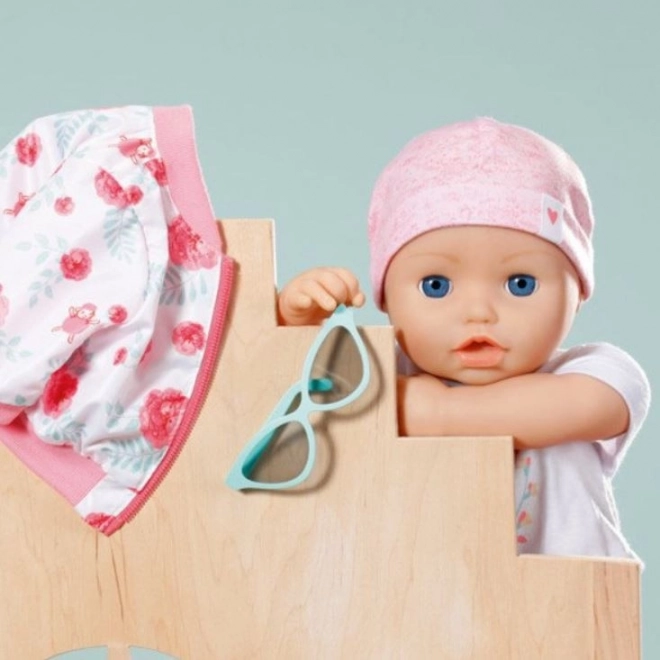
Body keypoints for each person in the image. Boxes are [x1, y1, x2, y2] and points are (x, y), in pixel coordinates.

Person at [277, 117, 650, 559]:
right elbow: (300, 402)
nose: (478, 312)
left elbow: (587, 406)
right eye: (436, 285)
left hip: (566, 598)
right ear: (385, 298)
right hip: (416, 591)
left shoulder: (595, 375)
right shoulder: (379, 371)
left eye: (520, 284)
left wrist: (437, 413)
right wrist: (298, 330)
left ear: (579, 293)